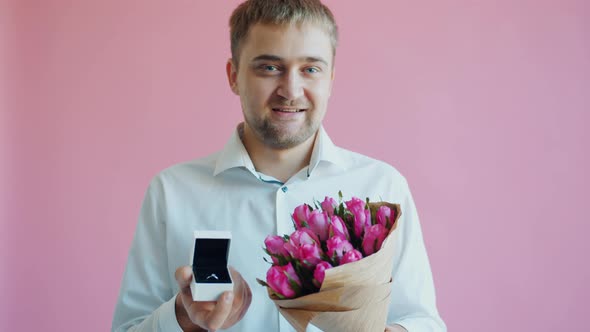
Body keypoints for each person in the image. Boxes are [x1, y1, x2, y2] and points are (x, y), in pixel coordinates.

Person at [112, 0, 446, 331]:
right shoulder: (172, 192)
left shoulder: (382, 187)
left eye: (310, 69)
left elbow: (421, 321)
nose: (290, 90)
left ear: (330, 78)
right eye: (269, 67)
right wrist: (184, 319)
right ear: (233, 76)